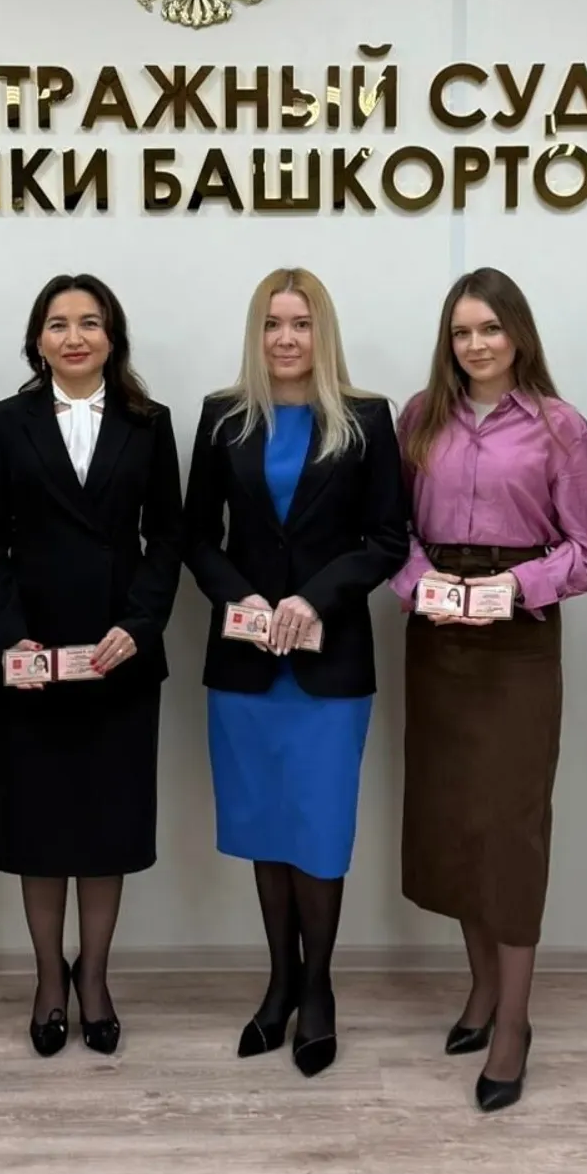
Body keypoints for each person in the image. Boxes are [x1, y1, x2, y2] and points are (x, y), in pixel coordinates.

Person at [184, 267, 409, 1078]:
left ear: (323, 333)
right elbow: (194, 535)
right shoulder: (223, 417)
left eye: (301, 323)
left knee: (317, 828)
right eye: (273, 323)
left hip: (329, 663)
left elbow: (388, 539)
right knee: (265, 825)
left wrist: (316, 598)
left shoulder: (366, 418)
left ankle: (318, 989)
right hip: (245, 666)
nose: (286, 338)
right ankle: (278, 982)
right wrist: (240, 594)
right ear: (257, 333)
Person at [390, 269, 587, 1112]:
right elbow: (397, 532)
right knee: (455, 820)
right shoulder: (420, 417)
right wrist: (423, 586)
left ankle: (513, 1022)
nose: (476, 345)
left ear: (518, 333)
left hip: (518, 640)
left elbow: (584, 550)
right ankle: (480, 988)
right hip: (438, 634)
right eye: (461, 332)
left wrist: (514, 588)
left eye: (489, 328)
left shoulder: (562, 428)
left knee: (511, 827)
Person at [0, 274, 182, 1057]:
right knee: (40, 827)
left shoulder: (149, 423)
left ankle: (93, 976)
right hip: (33, 656)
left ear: (112, 337)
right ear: (38, 340)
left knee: (104, 827)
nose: (74, 337)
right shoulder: (4, 422)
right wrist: (10, 635)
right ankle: (47, 980)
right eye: (58, 324)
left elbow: (168, 538)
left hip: (116, 655)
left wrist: (139, 625)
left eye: (89, 323)